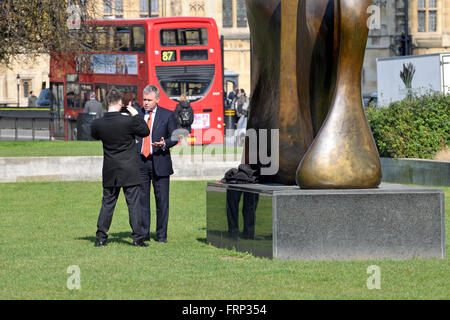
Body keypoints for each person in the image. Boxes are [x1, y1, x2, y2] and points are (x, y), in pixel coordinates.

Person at [91, 89, 150, 247]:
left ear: (107, 102)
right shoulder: (128, 122)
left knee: (108, 203)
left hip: (110, 169)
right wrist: (136, 115)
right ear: (120, 103)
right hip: (129, 168)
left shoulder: (99, 123)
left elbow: (94, 134)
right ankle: (137, 238)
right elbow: (145, 131)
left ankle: (101, 237)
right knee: (133, 204)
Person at [136, 85, 178, 243]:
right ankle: (144, 233)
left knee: (162, 201)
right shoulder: (138, 114)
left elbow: (175, 137)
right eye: (144, 99)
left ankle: (161, 235)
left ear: (157, 100)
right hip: (141, 162)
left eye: (149, 100)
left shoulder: (167, 115)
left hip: (160, 162)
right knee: (142, 200)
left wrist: (165, 143)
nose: (146, 103)